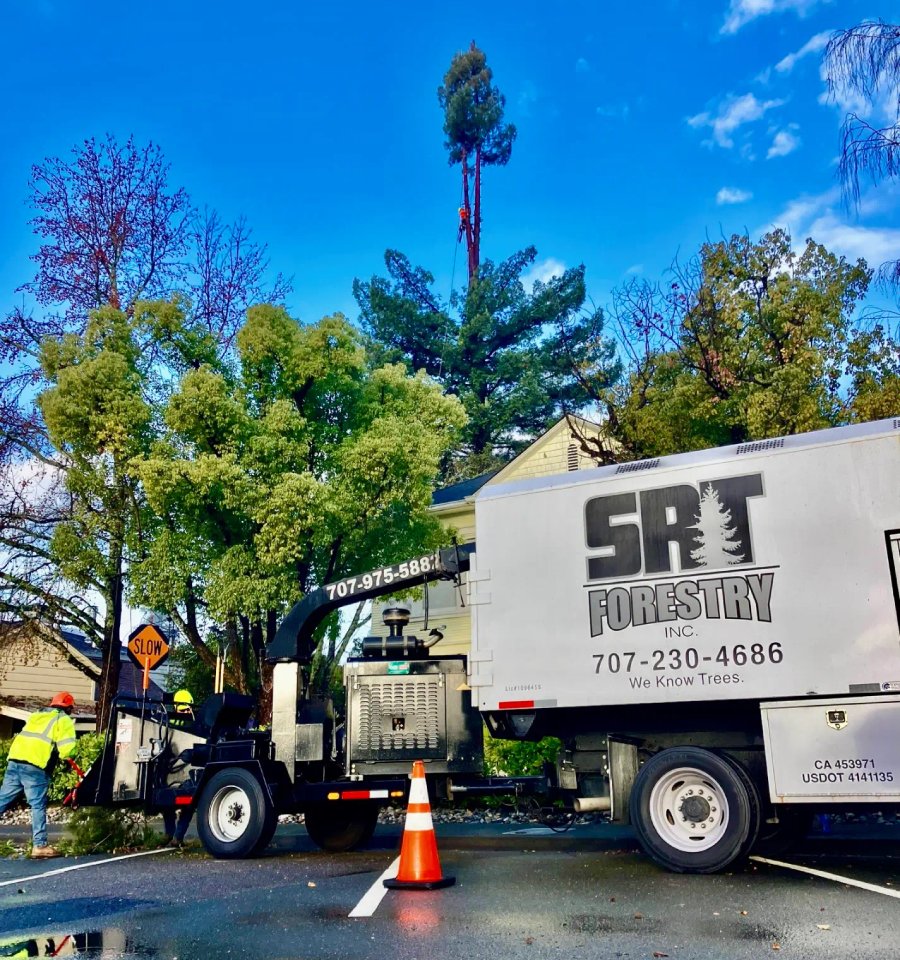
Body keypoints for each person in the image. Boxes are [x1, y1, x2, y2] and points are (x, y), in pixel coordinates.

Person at [0, 692, 77, 859]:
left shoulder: (36, 716)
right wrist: (71, 756)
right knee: (37, 805)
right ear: (69, 708)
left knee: (2, 800)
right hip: (34, 765)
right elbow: (67, 750)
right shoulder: (62, 719)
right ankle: (40, 846)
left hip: (15, 760)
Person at [162, 689, 195, 846]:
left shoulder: (170, 722)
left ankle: (175, 836)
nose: (186, 712)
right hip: (174, 771)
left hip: (182, 771)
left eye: (187, 709)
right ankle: (173, 835)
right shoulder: (172, 724)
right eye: (183, 710)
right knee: (170, 805)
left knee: (185, 805)